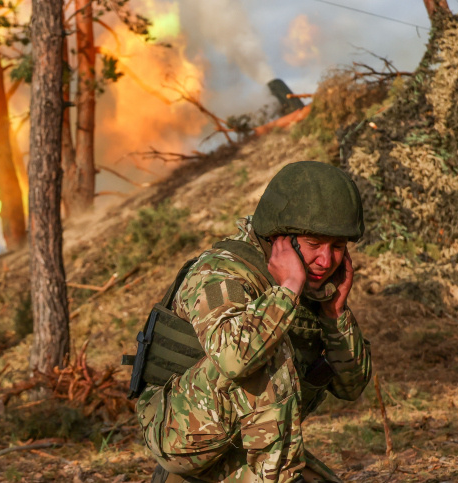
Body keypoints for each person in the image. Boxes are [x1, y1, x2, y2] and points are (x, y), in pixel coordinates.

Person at [134, 161, 372, 482]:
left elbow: (352, 386)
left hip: (241, 447)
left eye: (338, 247)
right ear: (279, 239)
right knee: (266, 347)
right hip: (176, 434)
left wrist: (335, 315)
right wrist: (287, 291)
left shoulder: (311, 288)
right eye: (314, 244)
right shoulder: (220, 274)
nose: (326, 260)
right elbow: (236, 358)